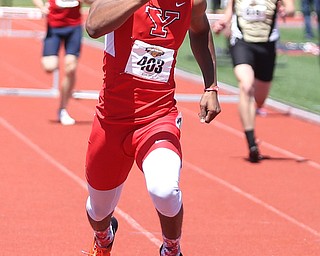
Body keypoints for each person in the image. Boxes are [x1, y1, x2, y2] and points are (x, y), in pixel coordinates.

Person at [82, 0, 221, 255]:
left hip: (158, 116)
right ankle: (103, 237)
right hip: (111, 120)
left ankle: (172, 248)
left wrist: (210, 86)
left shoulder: (193, 2)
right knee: (97, 211)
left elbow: (200, 30)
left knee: (164, 189)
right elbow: (93, 26)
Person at [213, 0, 295, 162]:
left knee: (259, 99)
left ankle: (253, 116)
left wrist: (286, 11)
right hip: (241, 42)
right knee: (246, 85)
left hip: (267, 45)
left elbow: (291, 9)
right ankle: (251, 143)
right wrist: (223, 22)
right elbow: (229, 11)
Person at [32, 0, 94, 125]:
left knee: (70, 67)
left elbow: (92, 2)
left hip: (74, 27)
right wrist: (41, 6)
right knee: (49, 66)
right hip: (54, 27)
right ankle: (66, 84)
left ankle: (62, 109)